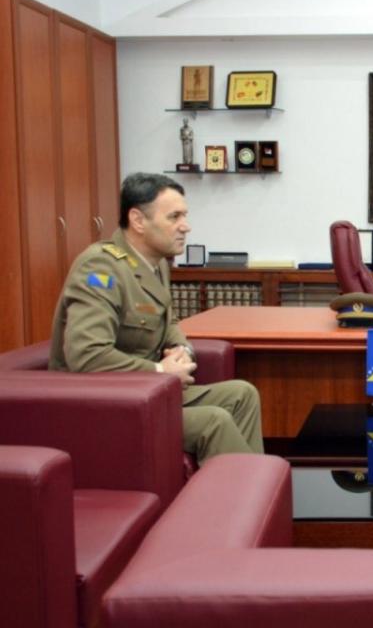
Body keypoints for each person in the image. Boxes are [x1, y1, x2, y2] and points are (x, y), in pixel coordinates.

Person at [49, 172, 263, 464]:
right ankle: (240, 490)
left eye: (184, 216)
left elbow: (168, 320)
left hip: (148, 392)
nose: (185, 226)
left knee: (242, 395)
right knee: (214, 421)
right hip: (106, 403)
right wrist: (159, 371)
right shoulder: (100, 268)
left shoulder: (156, 263)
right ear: (138, 220)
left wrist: (181, 349)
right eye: (174, 217)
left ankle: (254, 484)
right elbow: (86, 355)